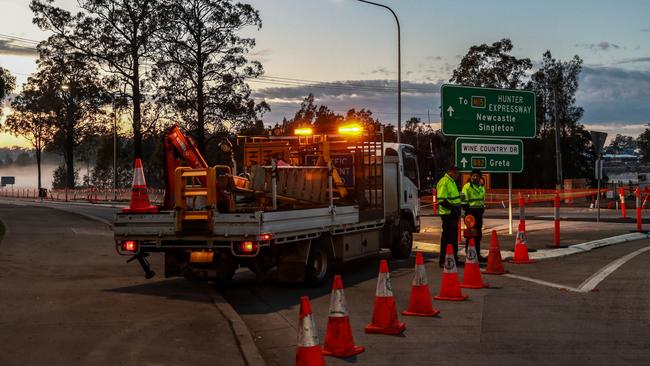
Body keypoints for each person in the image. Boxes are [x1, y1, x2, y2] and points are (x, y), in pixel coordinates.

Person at [436, 165, 462, 268]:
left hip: (453, 214)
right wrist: (453, 209)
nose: (458, 175)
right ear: (451, 172)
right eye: (456, 173)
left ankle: (454, 258)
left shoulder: (452, 182)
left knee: (453, 238)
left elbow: (453, 198)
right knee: (447, 238)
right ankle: (443, 260)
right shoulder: (444, 181)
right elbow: (442, 200)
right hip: (448, 215)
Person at [462, 169, 487, 262]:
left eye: (477, 176)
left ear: (480, 177)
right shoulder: (467, 187)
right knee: (470, 235)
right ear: (471, 177)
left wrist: (482, 210)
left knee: (478, 235)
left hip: (479, 214)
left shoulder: (481, 187)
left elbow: (481, 201)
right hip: (470, 214)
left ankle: (477, 254)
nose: (475, 177)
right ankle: (469, 253)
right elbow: (463, 202)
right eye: (473, 176)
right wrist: (469, 214)